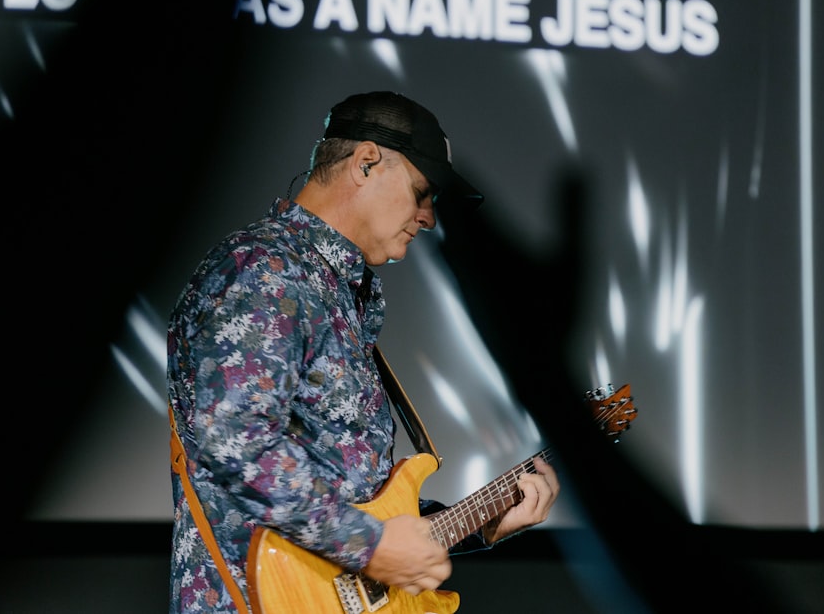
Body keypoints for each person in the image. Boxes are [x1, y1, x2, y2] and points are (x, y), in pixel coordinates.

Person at [165, 91, 561, 613]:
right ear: (366, 163)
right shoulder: (267, 271)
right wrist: (371, 546)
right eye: (423, 192)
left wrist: (479, 524)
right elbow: (239, 444)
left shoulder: (329, 289)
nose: (429, 218)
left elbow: (349, 495)